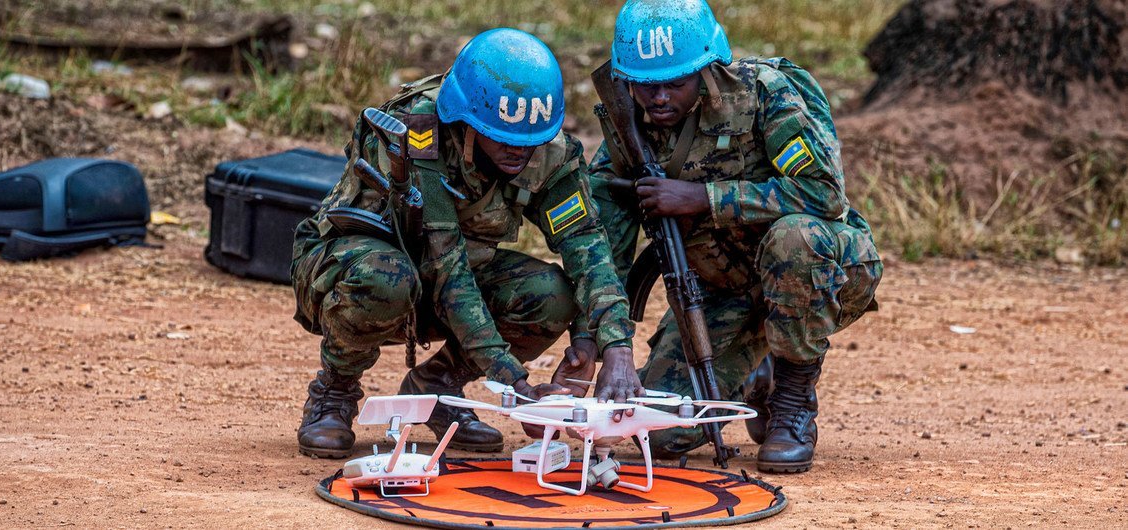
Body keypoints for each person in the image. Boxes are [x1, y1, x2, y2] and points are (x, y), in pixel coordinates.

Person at [291, 28, 643, 458]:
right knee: (388, 277)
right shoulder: (419, 135)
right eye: (503, 138)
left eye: (529, 141)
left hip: (447, 276)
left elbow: (589, 249)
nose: (519, 152)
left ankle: (439, 387)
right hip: (350, 270)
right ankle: (335, 390)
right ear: (466, 120)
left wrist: (614, 347)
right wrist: (516, 383)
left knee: (553, 296)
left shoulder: (550, 155)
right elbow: (449, 272)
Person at [589, 0, 883, 473]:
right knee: (664, 432)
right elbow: (601, 246)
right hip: (719, 292)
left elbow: (823, 194)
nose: (659, 98)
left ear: (707, 69)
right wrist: (599, 344)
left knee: (796, 239)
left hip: (822, 269)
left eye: (675, 83)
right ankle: (755, 370)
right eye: (645, 85)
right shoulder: (628, 130)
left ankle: (792, 403)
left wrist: (703, 198)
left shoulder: (764, 94)